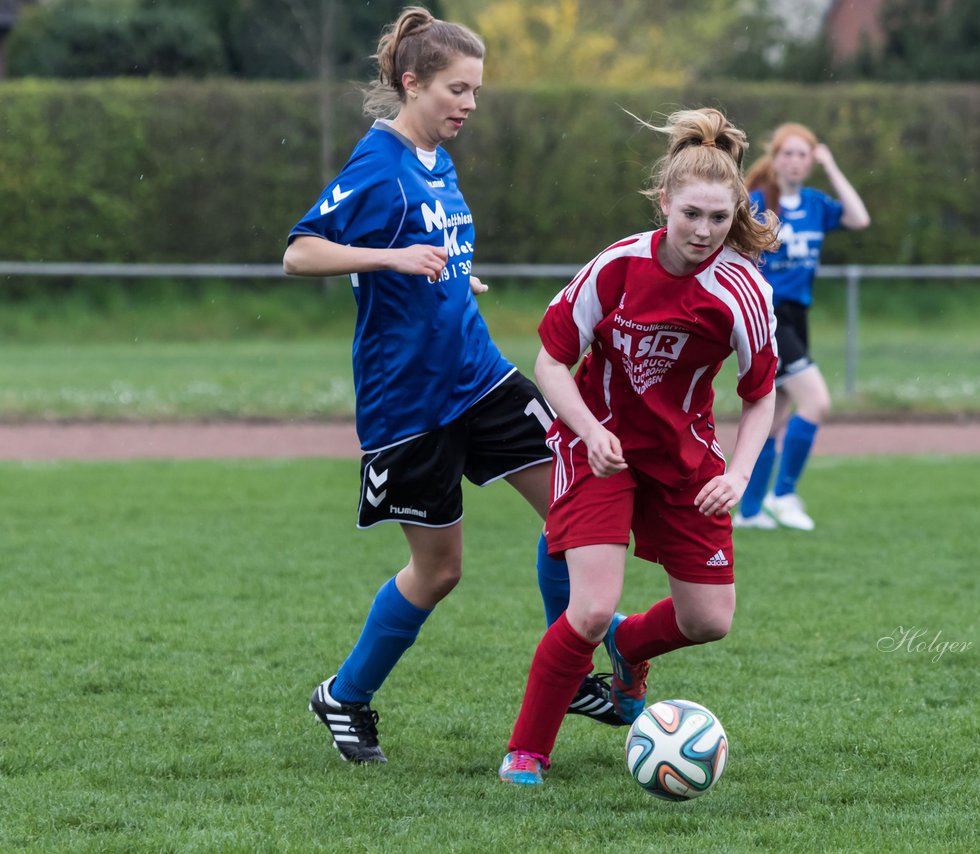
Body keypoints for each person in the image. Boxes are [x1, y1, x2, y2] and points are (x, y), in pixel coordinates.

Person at [282, 6, 620, 765]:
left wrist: (455, 280)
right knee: (440, 571)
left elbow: (436, 255)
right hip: (409, 403)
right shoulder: (380, 163)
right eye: (456, 89)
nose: (469, 104)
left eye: (476, 91)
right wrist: (390, 260)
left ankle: (568, 671)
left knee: (573, 509)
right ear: (412, 83)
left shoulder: (439, 160)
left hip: (481, 377)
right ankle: (344, 695)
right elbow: (299, 254)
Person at [497, 107, 780, 786]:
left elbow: (763, 394)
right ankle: (527, 751)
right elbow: (548, 362)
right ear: (665, 203)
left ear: (735, 211)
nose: (705, 231)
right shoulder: (618, 267)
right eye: (692, 215)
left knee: (709, 619)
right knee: (590, 606)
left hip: (685, 457)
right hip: (601, 450)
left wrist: (740, 475)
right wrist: (590, 431)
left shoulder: (743, 293)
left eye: (719, 217)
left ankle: (628, 645)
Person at [733, 123, 870, 532]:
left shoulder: (814, 204)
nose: (795, 161)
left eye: (803, 155)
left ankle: (751, 511)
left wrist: (831, 166)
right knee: (817, 401)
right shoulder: (757, 204)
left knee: (772, 420)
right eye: (787, 154)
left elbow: (859, 218)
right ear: (774, 159)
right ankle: (784, 493)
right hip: (768, 318)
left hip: (797, 317)